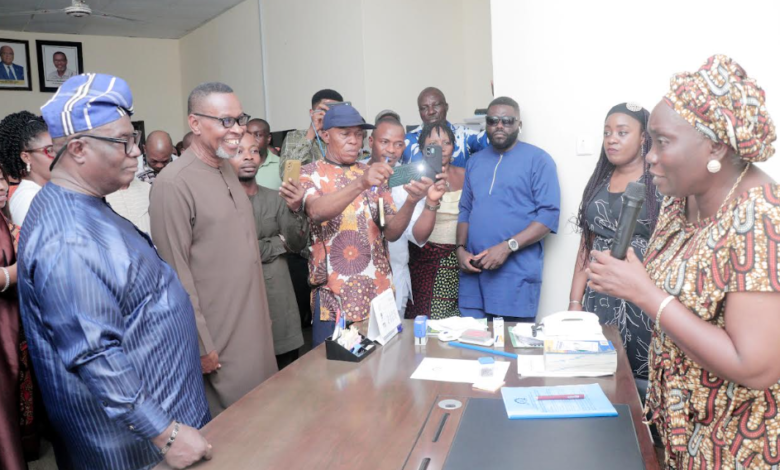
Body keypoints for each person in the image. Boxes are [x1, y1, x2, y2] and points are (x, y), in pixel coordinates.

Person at [587, 55, 780, 469]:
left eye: (662, 141)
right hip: (682, 434)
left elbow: (755, 366)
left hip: (738, 445)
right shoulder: (680, 201)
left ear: (716, 146)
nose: (650, 156)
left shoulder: (761, 218)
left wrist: (644, 293)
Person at [18, 73, 212, 470]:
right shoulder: (68, 237)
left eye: (134, 139)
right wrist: (165, 433)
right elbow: (94, 353)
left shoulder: (85, 204)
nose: (135, 153)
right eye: (123, 142)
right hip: (137, 450)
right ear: (77, 149)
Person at [150, 82, 278, 416]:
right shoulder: (174, 183)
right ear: (195, 124)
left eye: (240, 119)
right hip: (219, 337)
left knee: (268, 415)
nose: (237, 130)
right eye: (226, 121)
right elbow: (175, 272)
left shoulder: (226, 169)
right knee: (236, 428)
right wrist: (203, 344)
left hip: (254, 325)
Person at [298, 104, 429, 347]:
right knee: (333, 375)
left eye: (358, 135)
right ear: (325, 135)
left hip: (378, 296)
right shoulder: (310, 173)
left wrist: (412, 201)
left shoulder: (375, 174)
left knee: (382, 373)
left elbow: (391, 232)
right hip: (334, 299)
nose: (354, 141)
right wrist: (361, 183)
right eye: (345, 134)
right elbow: (316, 211)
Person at [568, 102, 661, 381]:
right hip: (599, 295)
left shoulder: (660, 181)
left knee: (640, 378)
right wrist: (575, 301)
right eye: (607, 132)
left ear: (644, 137)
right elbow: (587, 243)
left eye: (622, 132)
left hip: (641, 297)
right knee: (599, 375)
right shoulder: (600, 179)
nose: (611, 139)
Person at [457, 96, 560, 320]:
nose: (500, 126)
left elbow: (549, 215)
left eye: (507, 120)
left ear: (519, 124)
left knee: (512, 350)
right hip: (473, 274)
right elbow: (465, 209)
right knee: (471, 347)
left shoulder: (539, 160)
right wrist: (460, 249)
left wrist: (507, 247)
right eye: (493, 121)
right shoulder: (474, 162)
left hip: (515, 277)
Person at [229, 132, 307, 369]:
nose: (248, 157)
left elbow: (295, 244)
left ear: (262, 158)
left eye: (254, 151)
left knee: (287, 375)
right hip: (239, 298)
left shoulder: (276, 198)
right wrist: (276, 243)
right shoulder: (220, 202)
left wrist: (295, 209)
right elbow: (235, 251)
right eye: (238, 151)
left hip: (278, 296)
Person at [364, 117, 437, 317]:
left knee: (393, 345)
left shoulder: (407, 180)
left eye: (398, 144)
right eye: (384, 142)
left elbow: (419, 237)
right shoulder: (354, 173)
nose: (391, 150)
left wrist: (430, 202)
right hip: (357, 277)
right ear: (371, 142)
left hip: (395, 279)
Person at [406, 122, 464, 319]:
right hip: (427, 261)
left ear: (454, 146)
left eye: (447, 142)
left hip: (461, 259)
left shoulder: (466, 175)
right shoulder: (412, 177)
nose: (441, 148)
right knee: (432, 321)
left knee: (460, 323)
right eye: (434, 143)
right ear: (422, 148)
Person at [0, 166, 29, 470]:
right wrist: (13, 274)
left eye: (0, 178)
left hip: (12, 318)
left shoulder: (5, 219)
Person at [402, 87, 489, 168]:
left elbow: (492, 141)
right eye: (424, 108)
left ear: (446, 107)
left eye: (436, 105)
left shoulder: (463, 135)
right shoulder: (406, 141)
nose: (431, 111)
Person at [0, 111, 53, 226]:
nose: (57, 155)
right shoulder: (28, 199)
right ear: (26, 157)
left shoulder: (42, 192)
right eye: (49, 150)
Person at [278, 88, 343, 178]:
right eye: (325, 110)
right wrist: (312, 132)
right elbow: (286, 175)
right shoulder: (295, 136)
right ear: (312, 113)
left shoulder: (345, 137)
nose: (330, 115)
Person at [247, 118, 283, 190]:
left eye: (258, 135)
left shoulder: (282, 165)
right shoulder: (237, 165)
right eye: (248, 135)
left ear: (268, 138)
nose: (252, 140)